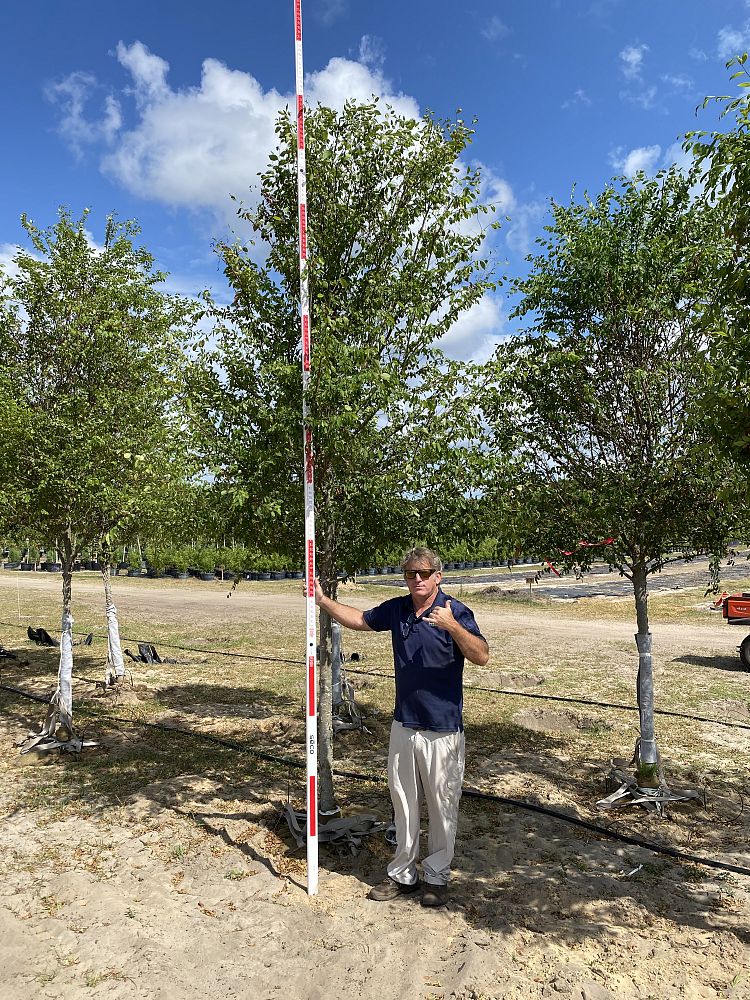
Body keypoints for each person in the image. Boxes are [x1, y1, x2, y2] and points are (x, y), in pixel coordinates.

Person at [314, 546, 489, 907]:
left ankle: (437, 876)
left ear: (438, 576)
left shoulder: (455, 611)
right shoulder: (397, 609)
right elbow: (361, 619)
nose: (418, 579)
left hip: (443, 729)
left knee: (442, 804)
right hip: (404, 725)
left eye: (424, 573)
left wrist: (452, 626)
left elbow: (482, 656)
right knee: (403, 802)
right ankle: (403, 874)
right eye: (412, 574)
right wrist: (322, 600)